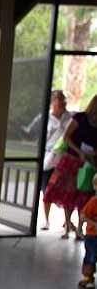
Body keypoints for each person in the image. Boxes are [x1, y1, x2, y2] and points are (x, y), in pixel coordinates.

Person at [44, 93, 97, 240]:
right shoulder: (80, 118)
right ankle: (67, 225)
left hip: (88, 163)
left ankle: (79, 228)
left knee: (84, 195)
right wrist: (78, 151)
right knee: (68, 192)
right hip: (71, 160)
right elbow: (66, 136)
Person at [38, 90, 72, 231]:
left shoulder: (70, 117)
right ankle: (46, 220)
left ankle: (68, 221)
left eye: (63, 99)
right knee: (47, 189)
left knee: (67, 189)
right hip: (48, 157)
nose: (62, 102)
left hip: (64, 158)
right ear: (52, 102)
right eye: (59, 99)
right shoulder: (44, 118)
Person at [78, 172, 97, 289]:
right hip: (92, 236)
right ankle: (88, 278)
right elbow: (83, 216)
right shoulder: (93, 202)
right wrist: (94, 224)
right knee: (90, 256)